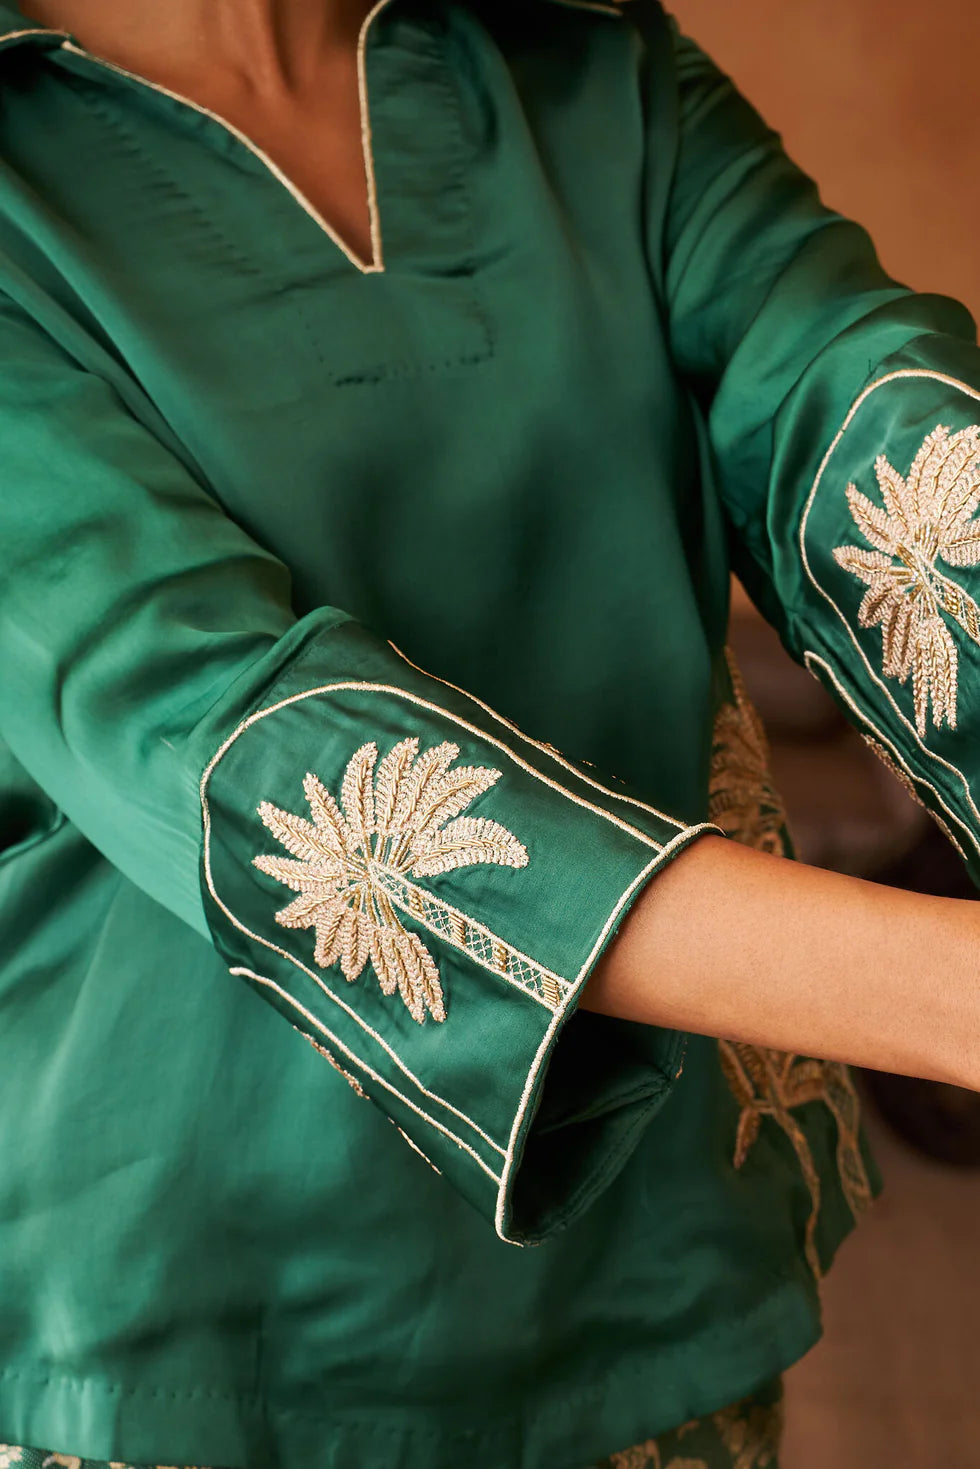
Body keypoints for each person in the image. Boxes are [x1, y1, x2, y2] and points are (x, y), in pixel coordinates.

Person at [2, 0, 980, 1465]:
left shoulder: (588, 63)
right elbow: (251, 746)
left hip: (647, 1287)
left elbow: (878, 439)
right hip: (197, 1348)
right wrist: (952, 993)